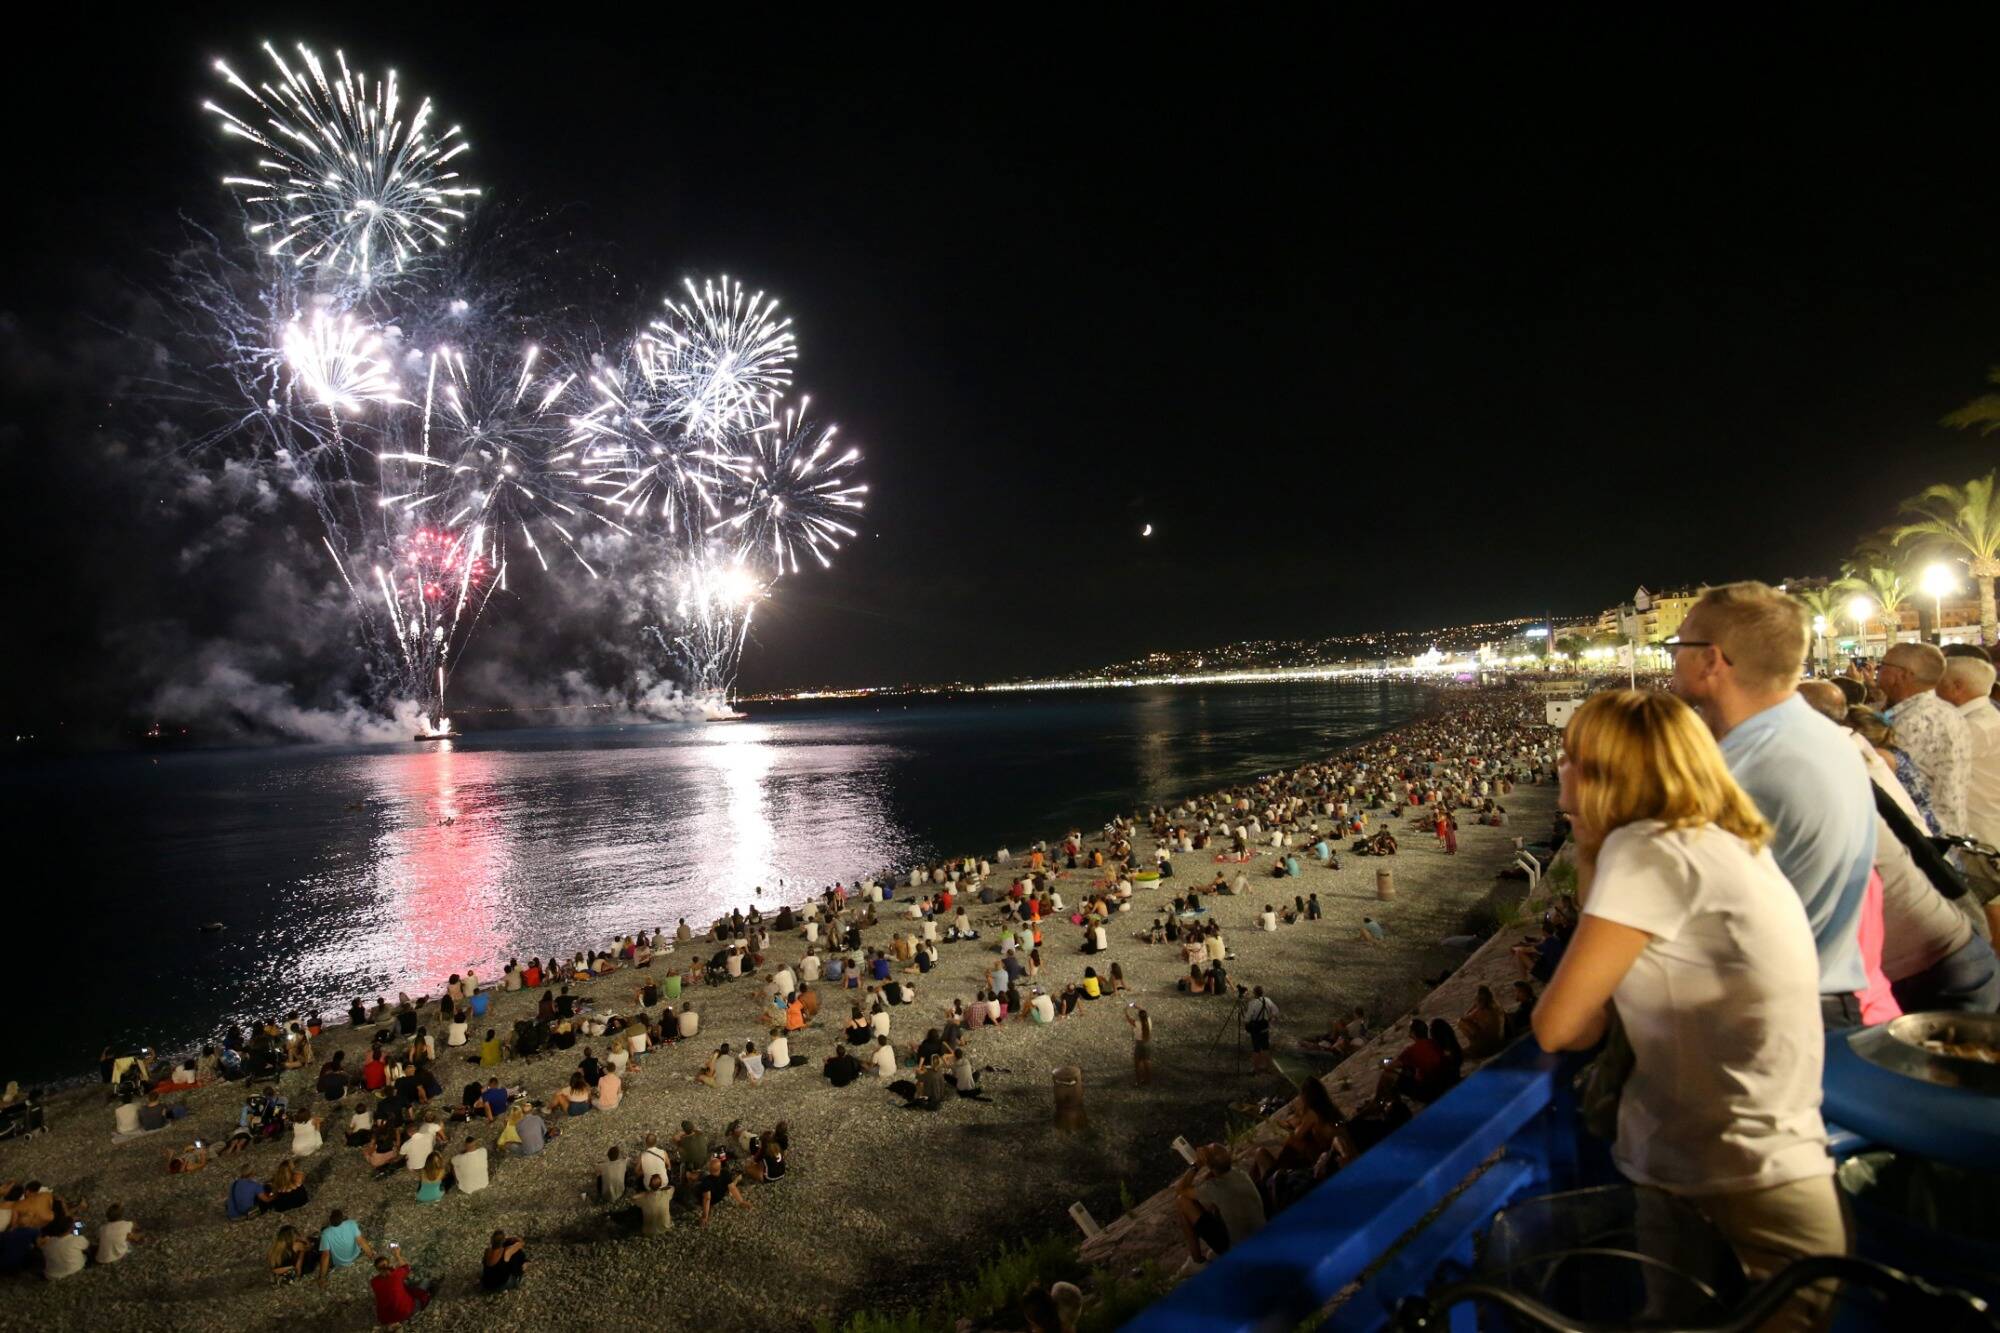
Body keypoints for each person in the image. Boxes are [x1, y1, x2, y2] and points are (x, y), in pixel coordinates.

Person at [1534, 690, 1846, 1322]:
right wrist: (1590, 842)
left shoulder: (1651, 852)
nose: (1555, 767)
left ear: (1603, 771)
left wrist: (1595, 845)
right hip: (1733, 1164)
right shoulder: (1715, 842)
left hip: (1743, 1179)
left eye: (1569, 757)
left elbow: (1561, 1025)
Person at [1670, 582, 1879, 1026]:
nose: (1672, 656)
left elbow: (1677, 916)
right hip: (1822, 994)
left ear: (1711, 659)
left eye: (1680, 645)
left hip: (1770, 1015)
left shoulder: (1747, 769)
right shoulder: (1820, 736)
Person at [1880, 642, 1973, 840]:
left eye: (1883, 665)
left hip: (1924, 835)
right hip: (1945, 831)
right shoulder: (1947, 712)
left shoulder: (1913, 721)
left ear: (1903, 674)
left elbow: (1891, 780)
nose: (1878, 671)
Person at [1173, 1143, 1266, 1268]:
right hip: (1261, 1237)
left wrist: (1196, 1165)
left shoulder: (1214, 1188)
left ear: (1209, 1164)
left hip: (1237, 1250)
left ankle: (1197, 1263)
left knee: (1182, 1201)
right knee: (1210, 1204)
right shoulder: (1240, 1173)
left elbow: (1180, 1190)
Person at [370, 1248, 435, 1325]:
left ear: (377, 1269)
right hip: (407, 1311)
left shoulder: (374, 1282)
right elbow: (406, 1267)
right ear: (389, 1264)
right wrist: (397, 1255)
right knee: (426, 1281)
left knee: (403, 1288)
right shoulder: (396, 1275)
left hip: (389, 1318)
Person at [315, 1208, 377, 1286]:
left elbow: (325, 1255)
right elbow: (361, 1241)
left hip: (340, 1262)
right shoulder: (352, 1223)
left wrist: (322, 1277)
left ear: (330, 1221)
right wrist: (371, 1255)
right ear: (342, 1218)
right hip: (355, 1255)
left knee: (320, 1245)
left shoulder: (326, 1233)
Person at [1243, 986, 1279, 1074]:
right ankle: (1268, 1067)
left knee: (1256, 1049)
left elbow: (1247, 1018)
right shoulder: (1267, 1000)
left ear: (1255, 993)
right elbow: (1276, 1011)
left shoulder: (1253, 1003)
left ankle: (1256, 1069)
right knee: (1265, 1047)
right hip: (1265, 1027)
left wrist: (1246, 1023)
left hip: (1256, 1028)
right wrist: (1270, 1019)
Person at [1125, 1005, 1154, 1085]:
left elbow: (1128, 1019)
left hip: (1140, 1044)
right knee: (1147, 1061)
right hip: (1148, 1042)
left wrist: (1126, 1010)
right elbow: (1144, 1010)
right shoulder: (1149, 1020)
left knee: (1137, 1063)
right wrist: (1137, 1006)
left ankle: (1138, 1081)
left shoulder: (1138, 1023)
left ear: (1139, 1017)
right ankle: (1148, 1080)